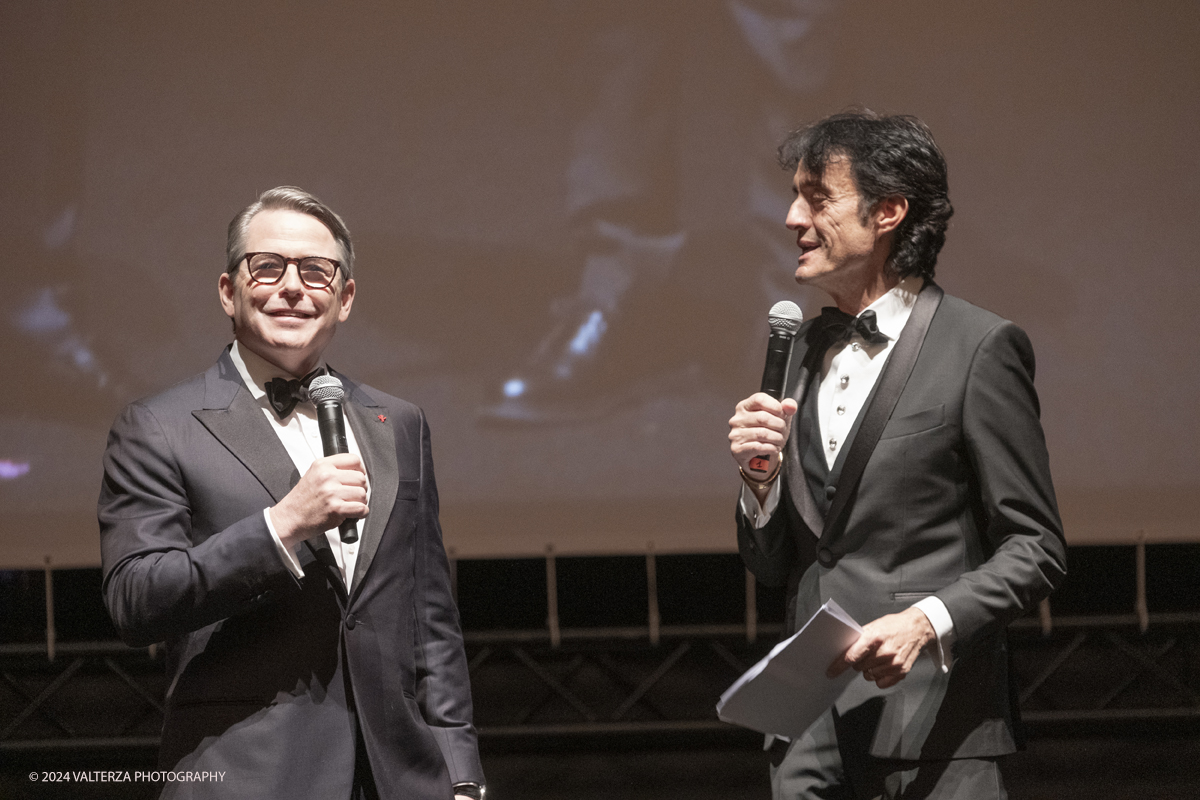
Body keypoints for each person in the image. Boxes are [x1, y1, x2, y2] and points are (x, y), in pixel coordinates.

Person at [99, 187, 485, 800]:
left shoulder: (399, 421)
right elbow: (135, 599)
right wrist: (281, 526)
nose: (292, 287)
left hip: (399, 780)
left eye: (315, 271)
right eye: (268, 267)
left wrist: (459, 770)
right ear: (228, 290)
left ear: (346, 298)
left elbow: (429, 616)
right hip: (248, 777)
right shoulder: (160, 426)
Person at [728, 111, 1066, 799]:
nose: (793, 218)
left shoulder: (979, 348)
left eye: (816, 197)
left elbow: (1035, 547)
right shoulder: (803, 356)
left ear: (888, 212)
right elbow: (776, 566)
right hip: (807, 733)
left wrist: (926, 621)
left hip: (934, 730)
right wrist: (759, 484)